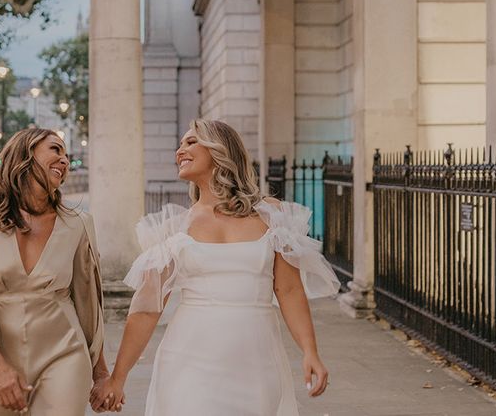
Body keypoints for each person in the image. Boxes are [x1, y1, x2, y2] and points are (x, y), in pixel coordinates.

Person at [92, 119, 341, 415]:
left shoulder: (271, 216)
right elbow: (147, 309)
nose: (179, 150)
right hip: (188, 357)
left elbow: (288, 290)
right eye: (181, 143)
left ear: (220, 150)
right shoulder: (174, 229)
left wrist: (310, 351)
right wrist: (118, 378)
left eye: (191, 142)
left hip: (256, 358)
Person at [0, 128, 115, 415]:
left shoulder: (78, 224)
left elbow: (89, 302)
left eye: (66, 154)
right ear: (25, 154)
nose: (64, 160)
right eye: (55, 149)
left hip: (64, 352)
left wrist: (100, 374)